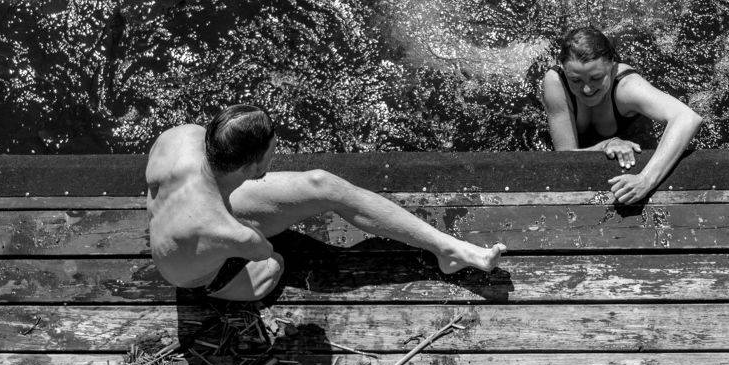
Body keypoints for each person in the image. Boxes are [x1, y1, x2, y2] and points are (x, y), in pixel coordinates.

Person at [146, 104, 506, 302]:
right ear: (251, 167)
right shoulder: (232, 233)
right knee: (274, 265)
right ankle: (218, 283)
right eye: (272, 153)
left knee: (322, 184)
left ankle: (448, 249)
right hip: (198, 276)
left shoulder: (180, 138)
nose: (275, 158)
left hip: (200, 210)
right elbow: (261, 251)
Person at [540, 26, 703, 204]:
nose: (587, 89)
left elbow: (688, 118)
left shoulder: (626, 87)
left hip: (634, 141)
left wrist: (645, 179)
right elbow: (565, 158)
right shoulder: (556, 82)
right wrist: (605, 144)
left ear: (611, 65)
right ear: (564, 70)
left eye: (596, 78)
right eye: (576, 80)